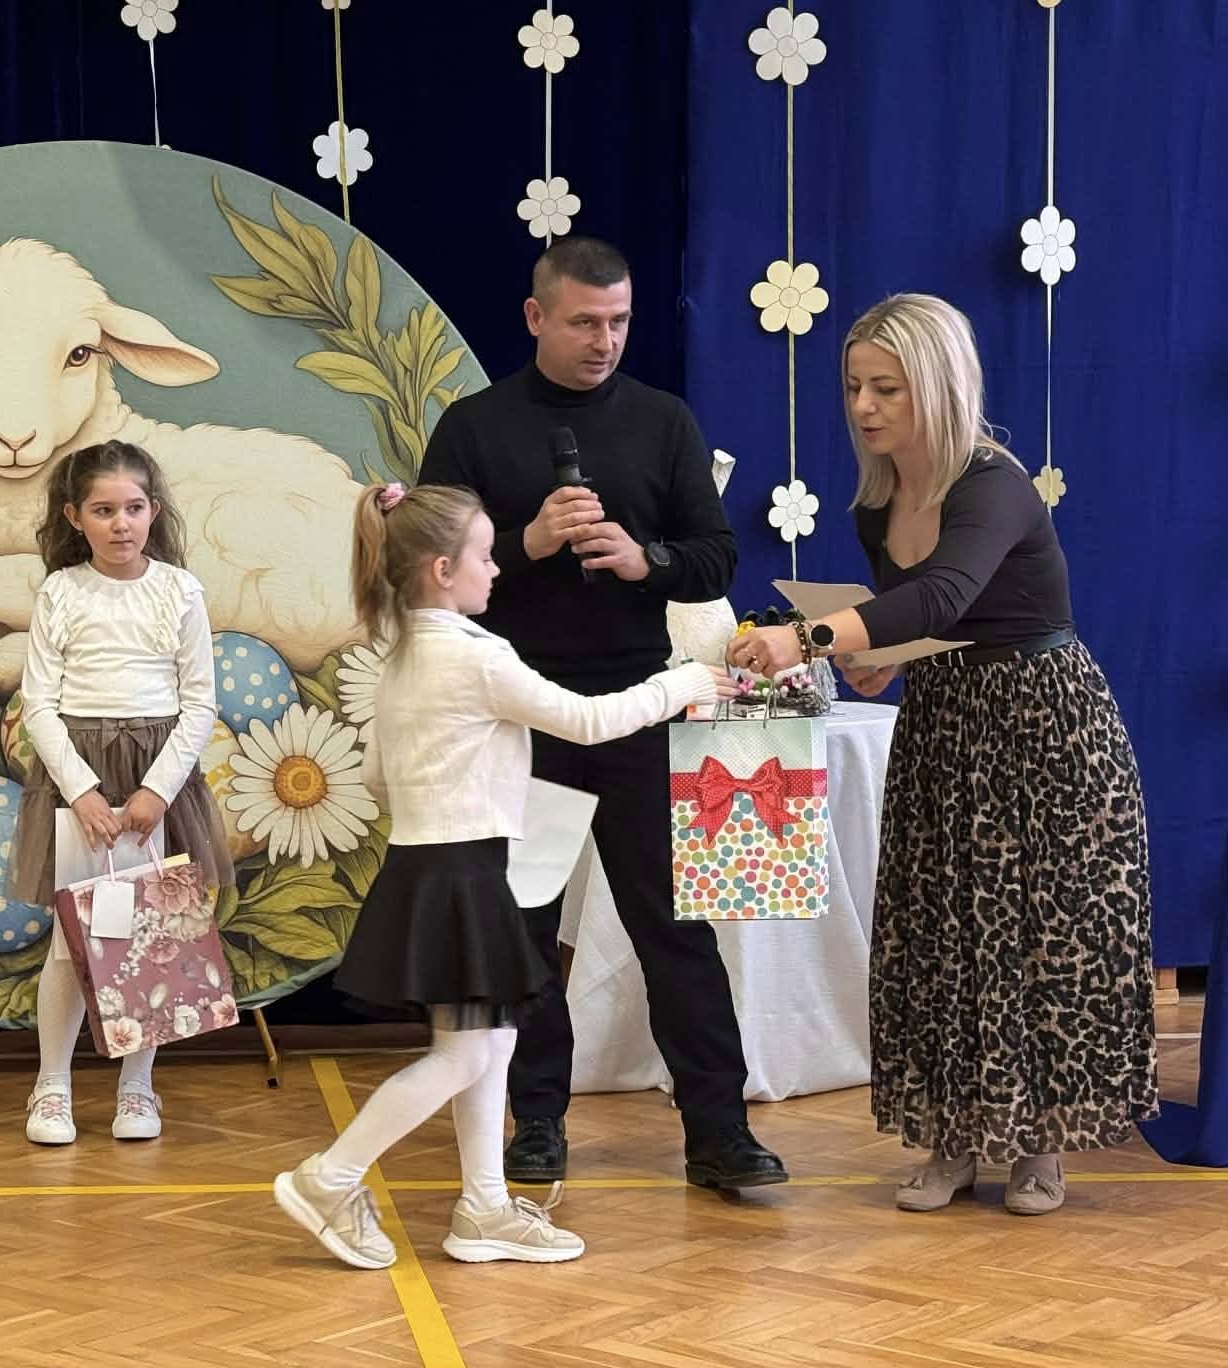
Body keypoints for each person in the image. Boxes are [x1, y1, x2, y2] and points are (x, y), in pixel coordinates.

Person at [726, 293, 1157, 1216]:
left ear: (940, 384)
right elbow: (920, 626)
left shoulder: (993, 482)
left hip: (1044, 729)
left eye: (887, 387)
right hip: (945, 723)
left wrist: (808, 639)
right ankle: (949, 1138)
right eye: (854, 386)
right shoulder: (877, 502)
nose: (864, 406)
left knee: (1041, 938)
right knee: (938, 932)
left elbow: (946, 592)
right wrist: (877, 659)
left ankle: (1038, 1145)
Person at [272, 481, 737, 1268]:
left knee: (490, 1042)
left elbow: (379, 775)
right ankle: (329, 1178)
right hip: (466, 871)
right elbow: (587, 722)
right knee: (464, 1054)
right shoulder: (477, 656)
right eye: (486, 557)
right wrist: (682, 684)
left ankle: (483, 1207)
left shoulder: (401, 656)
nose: (498, 570)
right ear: (443, 569)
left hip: (431, 867)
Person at [417, 236, 787, 1190]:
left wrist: (644, 561)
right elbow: (427, 578)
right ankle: (537, 1121)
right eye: (585, 322)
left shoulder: (663, 420)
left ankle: (719, 1131)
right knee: (527, 930)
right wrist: (529, 543)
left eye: (619, 322)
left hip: (638, 710)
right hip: (519, 716)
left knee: (676, 931)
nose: (605, 341)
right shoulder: (472, 427)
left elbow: (715, 557)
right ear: (536, 316)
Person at [10, 440, 233, 1146]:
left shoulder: (179, 590)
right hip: (78, 777)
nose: (120, 524)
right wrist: (80, 791)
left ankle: (138, 1086)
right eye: (103, 510)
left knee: (149, 937)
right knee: (71, 940)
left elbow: (199, 704)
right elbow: (38, 703)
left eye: (133, 508)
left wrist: (156, 791)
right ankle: (52, 1086)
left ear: (153, 512)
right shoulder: (61, 592)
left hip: (155, 777)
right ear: (74, 517)